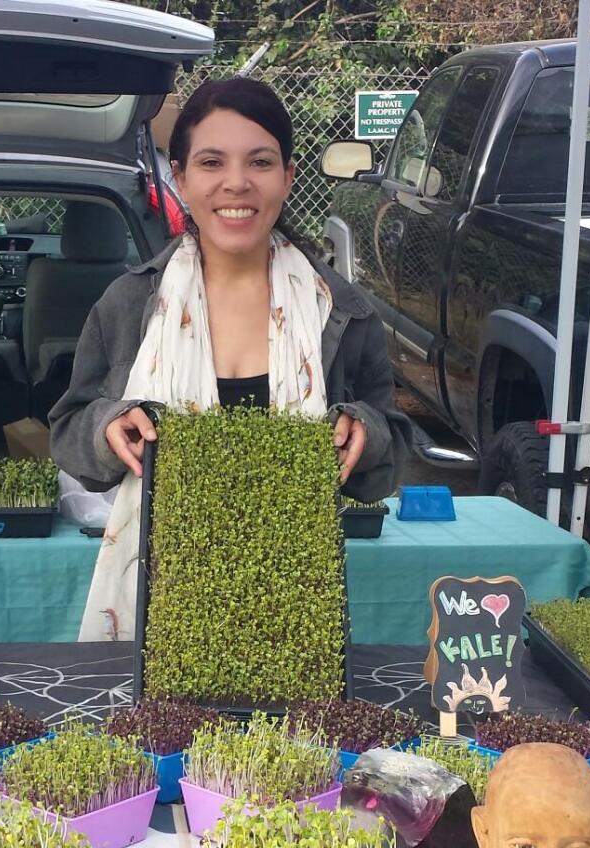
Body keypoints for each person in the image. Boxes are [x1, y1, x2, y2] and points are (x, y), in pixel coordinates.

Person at [50, 77, 410, 642]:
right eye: (212, 162)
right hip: (159, 595)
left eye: (260, 162)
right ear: (181, 177)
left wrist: (365, 431)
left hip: (296, 596)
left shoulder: (339, 311)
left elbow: (393, 441)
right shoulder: (129, 305)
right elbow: (70, 430)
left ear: (288, 178)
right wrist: (107, 428)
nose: (236, 184)